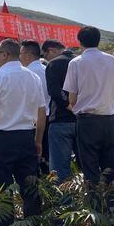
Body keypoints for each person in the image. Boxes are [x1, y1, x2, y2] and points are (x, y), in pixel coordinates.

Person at [0, 39, 45, 226]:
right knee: (30, 187)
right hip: (27, 136)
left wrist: (2, 113)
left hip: (2, 138)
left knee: (2, 187)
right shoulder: (33, 77)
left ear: (5, 55)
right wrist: (38, 140)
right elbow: (41, 111)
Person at [63, 27, 114, 204]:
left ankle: (97, 211)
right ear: (98, 40)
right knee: (112, 166)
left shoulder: (76, 63)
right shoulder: (111, 60)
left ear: (79, 41)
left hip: (87, 120)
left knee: (90, 168)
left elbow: (72, 97)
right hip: (109, 119)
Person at [42, 39, 77, 183]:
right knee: (87, 166)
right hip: (85, 120)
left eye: (45, 55)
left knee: (60, 171)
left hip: (61, 121)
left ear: (51, 50)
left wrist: (70, 106)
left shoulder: (54, 64)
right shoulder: (79, 61)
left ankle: (65, 203)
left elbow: (55, 92)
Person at [21, 40, 50, 173]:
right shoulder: (47, 69)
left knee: (35, 159)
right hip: (50, 119)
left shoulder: (27, 74)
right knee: (48, 158)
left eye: (21, 54)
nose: (20, 57)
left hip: (34, 122)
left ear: (28, 55)